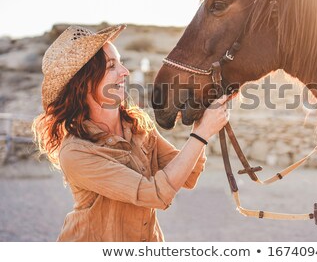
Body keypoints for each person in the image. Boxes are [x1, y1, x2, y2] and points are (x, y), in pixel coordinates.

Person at [32, 24, 229, 242]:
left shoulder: (136, 124)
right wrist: (201, 134)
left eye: (121, 63)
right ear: (85, 82)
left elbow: (188, 176)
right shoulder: (76, 152)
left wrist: (199, 123)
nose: (124, 72)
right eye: (111, 66)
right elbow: (155, 194)